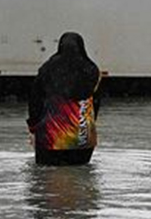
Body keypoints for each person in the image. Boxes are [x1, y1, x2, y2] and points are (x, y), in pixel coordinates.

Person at [26, 31, 101, 166]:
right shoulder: (92, 70)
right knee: (80, 180)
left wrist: (32, 127)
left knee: (48, 181)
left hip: (53, 138)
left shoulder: (48, 69)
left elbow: (35, 101)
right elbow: (96, 103)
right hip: (84, 138)